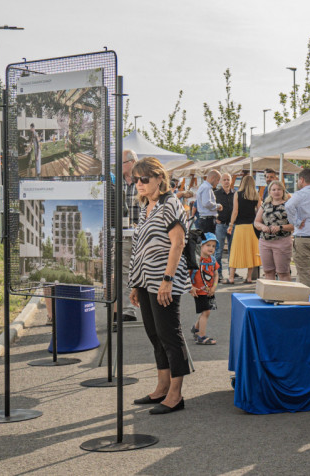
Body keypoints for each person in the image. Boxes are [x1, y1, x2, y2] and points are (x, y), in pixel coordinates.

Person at [128, 156, 190, 415]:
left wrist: (167, 280)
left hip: (163, 280)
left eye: (145, 179)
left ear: (159, 179)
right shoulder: (148, 206)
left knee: (169, 335)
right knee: (154, 335)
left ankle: (176, 394)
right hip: (145, 280)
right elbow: (140, 246)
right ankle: (162, 387)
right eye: (136, 179)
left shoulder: (169, 204)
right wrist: (135, 283)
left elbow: (178, 244)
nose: (139, 184)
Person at [254, 180, 294, 281]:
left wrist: (281, 227)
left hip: (282, 241)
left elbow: (294, 225)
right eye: (274, 189)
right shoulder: (265, 205)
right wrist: (262, 227)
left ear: (283, 191)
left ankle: (285, 296)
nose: (276, 192)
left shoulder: (288, 205)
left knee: (283, 272)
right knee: (268, 271)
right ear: (270, 192)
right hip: (265, 241)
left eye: (279, 189)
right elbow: (256, 222)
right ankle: (270, 296)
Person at [119, 150, 141, 324]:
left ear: (132, 162)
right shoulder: (116, 182)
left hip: (143, 234)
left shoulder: (143, 180)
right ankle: (128, 309)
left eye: (122, 162)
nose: (119, 166)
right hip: (124, 234)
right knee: (125, 271)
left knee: (144, 271)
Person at [228, 175, 261, 284]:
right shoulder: (256, 195)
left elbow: (235, 211)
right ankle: (249, 278)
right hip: (251, 227)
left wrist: (231, 224)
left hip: (240, 227)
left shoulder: (237, 194)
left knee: (235, 251)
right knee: (250, 252)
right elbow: (259, 211)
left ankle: (231, 277)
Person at [189, 233, 220, 345]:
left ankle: (196, 329)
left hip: (209, 291)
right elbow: (187, 274)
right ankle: (201, 336)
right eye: (208, 245)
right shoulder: (196, 260)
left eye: (213, 246)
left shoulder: (212, 260)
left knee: (206, 311)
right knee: (206, 312)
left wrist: (214, 287)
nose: (211, 248)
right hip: (199, 291)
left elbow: (216, 274)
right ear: (200, 246)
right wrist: (190, 287)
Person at [214, 172, 236, 283]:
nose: (226, 181)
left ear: (231, 181)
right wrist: (215, 219)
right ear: (221, 181)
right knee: (219, 250)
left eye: (228, 179)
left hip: (232, 225)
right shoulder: (216, 193)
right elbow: (209, 207)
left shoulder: (235, 193)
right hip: (221, 225)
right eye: (224, 179)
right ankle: (218, 273)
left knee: (232, 250)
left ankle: (231, 273)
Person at [194, 170, 222, 238]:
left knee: (205, 242)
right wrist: (218, 206)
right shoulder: (207, 188)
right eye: (217, 180)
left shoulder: (203, 186)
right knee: (209, 241)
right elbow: (206, 203)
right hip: (207, 221)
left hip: (204, 219)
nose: (218, 183)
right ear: (212, 178)